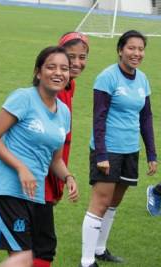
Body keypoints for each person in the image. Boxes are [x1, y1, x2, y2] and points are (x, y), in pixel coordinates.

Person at [0, 46, 78, 263]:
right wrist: (21, 167)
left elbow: (56, 159)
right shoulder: (24, 98)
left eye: (64, 68)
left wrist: (68, 177)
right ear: (38, 72)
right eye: (51, 67)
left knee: (44, 251)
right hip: (9, 191)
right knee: (22, 256)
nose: (58, 73)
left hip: (37, 193)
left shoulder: (64, 112)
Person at [80, 30, 157, 267]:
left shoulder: (142, 79)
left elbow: (146, 118)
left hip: (129, 150)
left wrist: (152, 154)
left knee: (114, 202)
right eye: (131, 48)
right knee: (100, 202)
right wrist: (101, 154)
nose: (136, 53)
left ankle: (101, 249)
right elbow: (98, 118)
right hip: (108, 150)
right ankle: (86, 261)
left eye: (140, 49)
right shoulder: (107, 77)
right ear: (120, 50)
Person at [33, 32, 89, 267]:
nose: (76, 63)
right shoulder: (42, 94)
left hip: (53, 170)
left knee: (36, 244)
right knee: (41, 245)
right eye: (71, 56)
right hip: (37, 176)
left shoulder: (69, 86)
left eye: (82, 57)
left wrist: (64, 177)